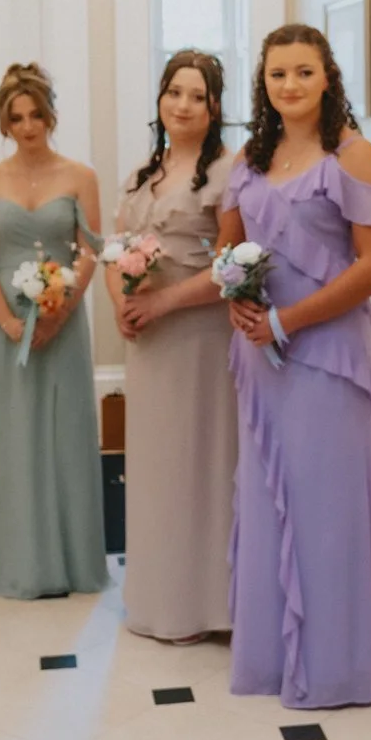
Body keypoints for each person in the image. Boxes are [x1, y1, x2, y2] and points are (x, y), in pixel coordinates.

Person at [219, 25, 371, 709]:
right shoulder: (249, 157)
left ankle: (333, 671)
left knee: (326, 511)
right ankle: (268, 660)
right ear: (262, 84)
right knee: (267, 505)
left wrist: (288, 320)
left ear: (328, 76)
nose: (289, 85)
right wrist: (239, 299)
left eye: (302, 72)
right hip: (260, 360)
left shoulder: (356, 156)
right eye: (276, 75)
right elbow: (228, 249)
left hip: (327, 358)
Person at [0, 64, 107, 599]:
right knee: (9, 432)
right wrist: (8, 322)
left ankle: (70, 560)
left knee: (62, 433)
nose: (27, 126)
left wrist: (62, 311)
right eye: (16, 118)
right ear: (4, 122)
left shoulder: (80, 176)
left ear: (50, 115)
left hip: (63, 321)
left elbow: (89, 250)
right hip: (5, 321)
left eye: (36, 115)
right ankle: (7, 559)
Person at [106, 50, 238, 643]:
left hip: (201, 337)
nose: (183, 104)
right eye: (174, 92)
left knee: (202, 462)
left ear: (214, 108)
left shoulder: (228, 174)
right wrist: (121, 302)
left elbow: (232, 267)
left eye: (197, 95)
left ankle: (206, 605)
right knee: (156, 466)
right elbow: (116, 249)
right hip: (150, 343)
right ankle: (158, 600)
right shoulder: (141, 173)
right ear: (160, 99)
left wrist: (162, 301)